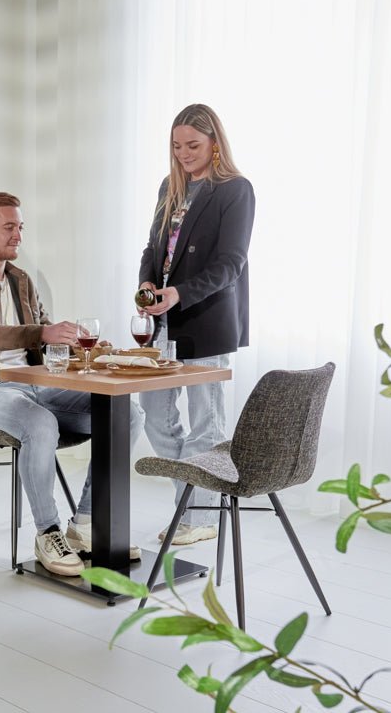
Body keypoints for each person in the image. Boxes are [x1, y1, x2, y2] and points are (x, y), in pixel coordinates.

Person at [0, 192, 144, 576]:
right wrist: (44, 331)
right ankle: (47, 532)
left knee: (125, 413)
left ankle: (85, 523)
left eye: (20, 227)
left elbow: (45, 336)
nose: (17, 236)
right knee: (40, 423)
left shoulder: (21, 281)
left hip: (37, 385)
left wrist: (84, 347)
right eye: (8, 227)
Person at [137, 103, 255, 546]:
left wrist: (181, 293)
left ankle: (197, 516)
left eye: (193, 145)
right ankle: (188, 507)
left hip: (207, 318)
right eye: (176, 146)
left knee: (206, 421)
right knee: (155, 415)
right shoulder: (172, 186)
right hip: (163, 319)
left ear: (214, 143)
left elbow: (231, 263)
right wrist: (148, 284)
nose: (184, 153)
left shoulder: (236, 190)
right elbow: (153, 247)